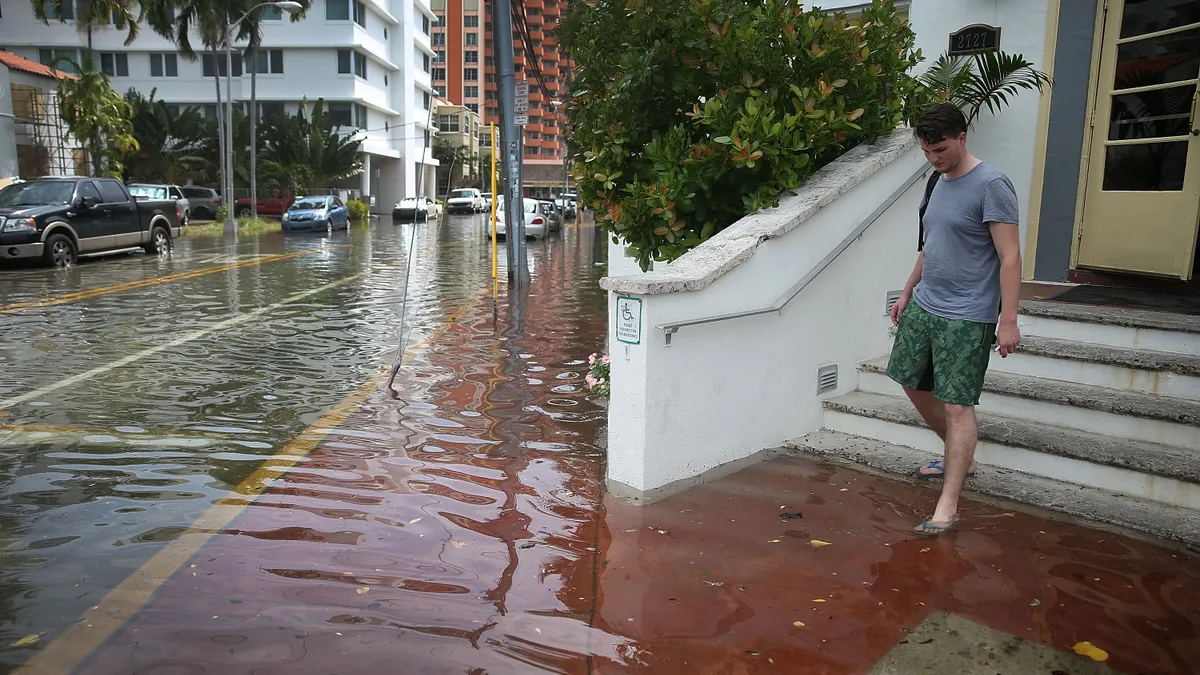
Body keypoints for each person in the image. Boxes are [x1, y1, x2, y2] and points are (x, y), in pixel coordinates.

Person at [886, 103, 1022, 537]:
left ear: (963, 137)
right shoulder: (937, 180)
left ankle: (948, 503)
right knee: (910, 380)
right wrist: (907, 291)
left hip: (967, 315)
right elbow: (932, 246)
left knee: (958, 405)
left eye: (940, 148)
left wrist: (1009, 320)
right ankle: (957, 456)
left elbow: (1011, 256)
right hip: (926, 304)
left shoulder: (993, 184)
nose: (934, 157)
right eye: (926, 150)